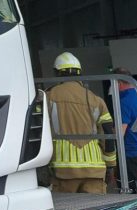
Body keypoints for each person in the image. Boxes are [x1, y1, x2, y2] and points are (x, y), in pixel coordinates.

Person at [47, 52, 116, 193]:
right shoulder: (96, 99)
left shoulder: (48, 97)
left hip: (63, 169)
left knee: (67, 207)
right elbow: (108, 133)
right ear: (79, 73)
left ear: (57, 73)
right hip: (94, 169)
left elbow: (37, 131)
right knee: (96, 207)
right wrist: (110, 165)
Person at [113, 67, 137, 193]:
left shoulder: (124, 101)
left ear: (118, 83)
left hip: (130, 156)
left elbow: (119, 133)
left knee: (131, 195)